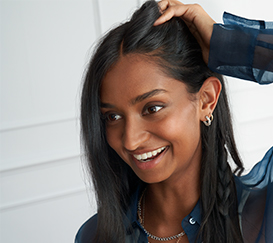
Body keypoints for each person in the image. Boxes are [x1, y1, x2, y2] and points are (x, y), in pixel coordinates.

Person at [75, 0, 273, 242]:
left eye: (152, 108)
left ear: (206, 100)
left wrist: (230, 45)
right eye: (113, 116)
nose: (130, 140)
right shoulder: (95, 236)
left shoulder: (262, 218)